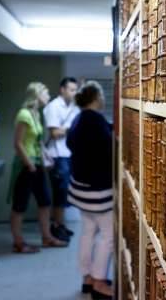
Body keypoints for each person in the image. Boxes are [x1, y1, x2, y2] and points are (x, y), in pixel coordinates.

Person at [67, 81, 114, 298]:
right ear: (95, 98)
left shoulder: (78, 119)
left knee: (88, 231)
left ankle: (87, 277)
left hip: (80, 189)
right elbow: (108, 150)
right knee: (108, 235)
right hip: (97, 191)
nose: (103, 99)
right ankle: (99, 281)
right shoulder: (96, 121)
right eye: (101, 95)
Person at [8, 82, 68, 253]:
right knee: (20, 204)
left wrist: (45, 157)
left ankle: (47, 237)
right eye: (46, 93)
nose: (48, 96)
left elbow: (38, 141)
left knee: (45, 201)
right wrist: (29, 164)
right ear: (37, 95)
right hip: (26, 165)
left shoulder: (36, 114)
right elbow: (18, 143)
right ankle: (18, 242)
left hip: (38, 164)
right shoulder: (24, 114)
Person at [43, 77, 79, 241]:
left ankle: (61, 225)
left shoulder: (73, 107)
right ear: (62, 90)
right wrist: (71, 128)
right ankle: (56, 227)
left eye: (75, 90)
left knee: (65, 193)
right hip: (58, 156)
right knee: (59, 192)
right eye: (71, 89)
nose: (74, 93)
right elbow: (54, 133)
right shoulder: (53, 107)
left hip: (69, 154)